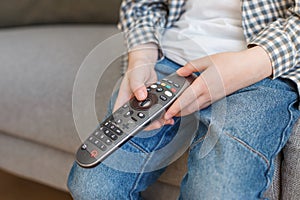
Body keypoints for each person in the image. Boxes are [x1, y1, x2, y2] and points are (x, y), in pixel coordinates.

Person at [68, 0, 300, 199]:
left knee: (215, 194)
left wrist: (254, 62)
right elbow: (143, 4)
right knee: (92, 189)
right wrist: (142, 58)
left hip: (261, 68)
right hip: (172, 59)